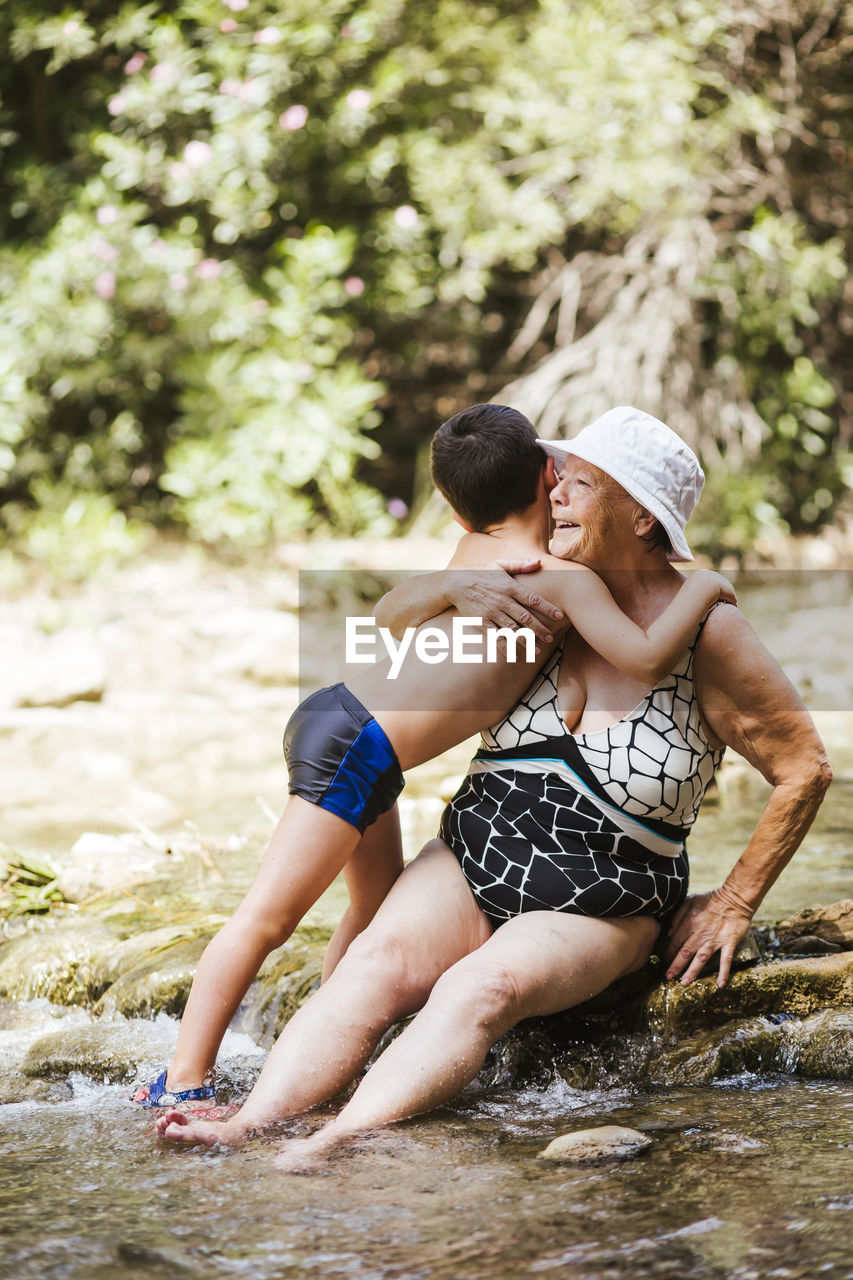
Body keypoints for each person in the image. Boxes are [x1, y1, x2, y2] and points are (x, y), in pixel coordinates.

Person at [155, 406, 830, 1160]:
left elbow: (805, 766)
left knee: (479, 988)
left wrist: (735, 900)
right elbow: (395, 612)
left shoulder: (707, 629)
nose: (556, 498)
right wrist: (458, 588)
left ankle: (327, 1145)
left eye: (578, 485)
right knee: (372, 962)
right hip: (474, 857)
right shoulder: (539, 585)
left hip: (603, 897)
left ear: (642, 518)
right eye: (557, 481)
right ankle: (246, 1123)